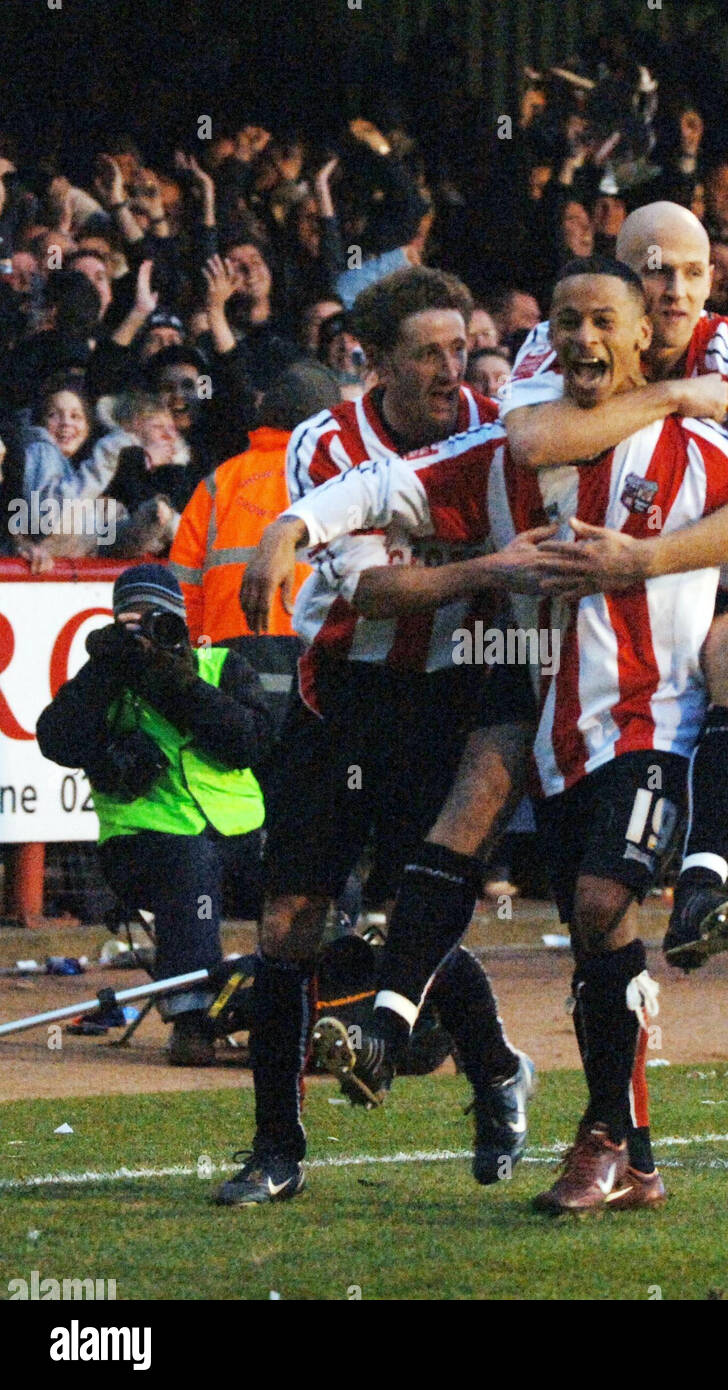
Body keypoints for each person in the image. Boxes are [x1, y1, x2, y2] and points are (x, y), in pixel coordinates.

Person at [241, 257, 728, 1213]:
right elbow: (382, 519)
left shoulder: (693, 455)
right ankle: (582, 1128)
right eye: (567, 322)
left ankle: (702, 888)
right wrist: (292, 528)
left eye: (463, 350)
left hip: (600, 715)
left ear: (639, 336)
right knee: (505, 909)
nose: (452, 370)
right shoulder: (488, 448)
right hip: (389, 696)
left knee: (592, 894)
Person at [215, 267, 558, 1207]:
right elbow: (368, 589)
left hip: (452, 703)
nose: (456, 370)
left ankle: (494, 1072)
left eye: (462, 347)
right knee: (291, 921)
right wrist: (490, 563)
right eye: (430, 354)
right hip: (345, 699)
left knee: (419, 913)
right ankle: (277, 1149)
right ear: (374, 362)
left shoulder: (504, 430)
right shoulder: (327, 443)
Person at [501, 203, 728, 965]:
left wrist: (644, 561)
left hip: (722, 564)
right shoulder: (562, 339)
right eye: (655, 270)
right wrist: (674, 396)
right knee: (580, 882)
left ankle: (705, 881)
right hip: (581, 585)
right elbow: (532, 438)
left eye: (694, 272)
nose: (676, 289)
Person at [35, 565, 272, 1066]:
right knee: (191, 864)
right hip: (144, 849)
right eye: (133, 624)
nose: (146, 637)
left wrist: (171, 680)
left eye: (159, 623)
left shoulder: (220, 665)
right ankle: (192, 1020)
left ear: (182, 622)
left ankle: (314, 1002)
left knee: (308, 869)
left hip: (242, 840)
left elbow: (249, 742)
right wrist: (108, 668)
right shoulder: (106, 679)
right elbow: (56, 738)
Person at [169, 362, 340, 726]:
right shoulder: (345, 480)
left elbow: (184, 588)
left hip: (231, 657)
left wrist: (198, 658)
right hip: (323, 653)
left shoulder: (219, 482)